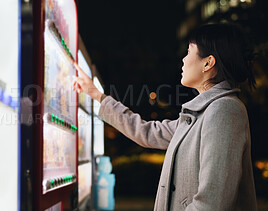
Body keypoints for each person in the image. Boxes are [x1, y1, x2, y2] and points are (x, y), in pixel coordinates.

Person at [73, 23, 257, 211]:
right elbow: (146, 132)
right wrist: (97, 95)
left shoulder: (224, 110)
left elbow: (212, 204)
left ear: (208, 63)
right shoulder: (203, 113)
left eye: (189, 51)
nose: (184, 60)